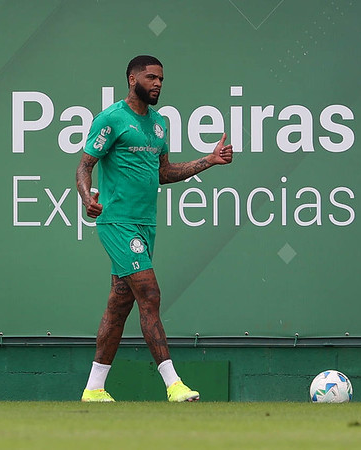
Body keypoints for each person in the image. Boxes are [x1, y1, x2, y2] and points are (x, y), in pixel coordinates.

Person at [75, 55, 233, 402]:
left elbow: (164, 173)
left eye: (161, 78)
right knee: (150, 294)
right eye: (151, 77)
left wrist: (209, 160)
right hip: (117, 223)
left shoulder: (160, 125)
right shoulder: (112, 119)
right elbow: (84, 166)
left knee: (120, 305)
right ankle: (173, 384)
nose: (158, 83)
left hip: (146, 225)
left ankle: (93, 388)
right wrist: (88, 198)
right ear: (132, 79)